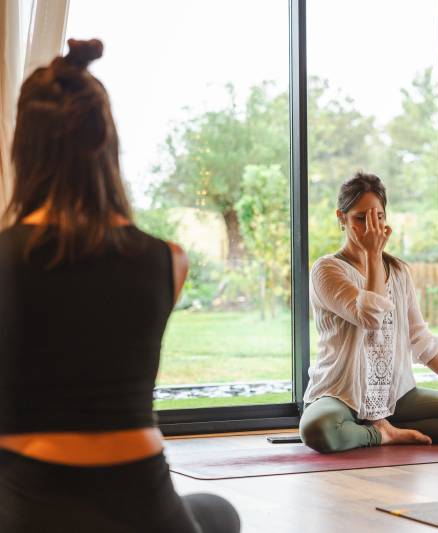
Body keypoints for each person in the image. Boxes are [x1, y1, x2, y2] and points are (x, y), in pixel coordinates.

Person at [0, 39, 240, 533]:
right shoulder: (168, 260)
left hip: (32, 510)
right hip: (148, 511)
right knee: (220, 514)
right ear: (107, 144)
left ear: (24, 148)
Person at [299, 172, 438, 453]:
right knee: (317, 430)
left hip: (395, 396)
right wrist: (373, 255)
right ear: (341, 218)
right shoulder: (327, 270)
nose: (371, 227)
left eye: (377, 217)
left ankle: (386, 426)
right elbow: (370, 317)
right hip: (341, 394)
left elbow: (419, 337)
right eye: (360, 218)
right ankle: (383, 435)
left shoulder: (399, 271)